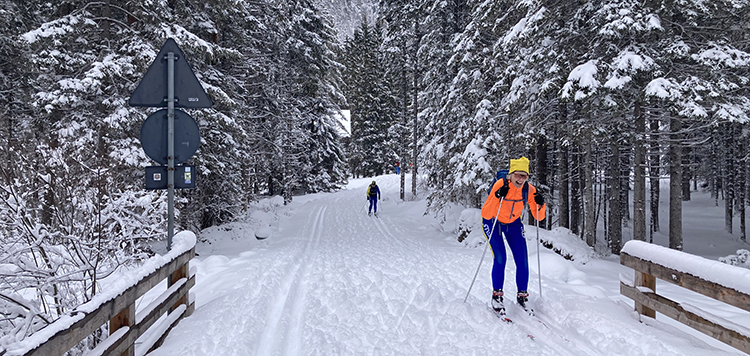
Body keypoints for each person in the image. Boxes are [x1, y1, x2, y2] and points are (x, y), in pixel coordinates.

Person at [481, 156, 546, 315]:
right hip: (493, 222)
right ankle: (497, 296)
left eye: (524, 176)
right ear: (511, 175)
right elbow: (486, 213)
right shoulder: (500, 184)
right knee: (500, 257)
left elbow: (539, 217)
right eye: (518, 175)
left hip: (514, 224)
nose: (521, 179)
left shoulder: (528, 189)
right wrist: (497, 196)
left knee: (522, 260)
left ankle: (522, 296)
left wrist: (540, 203)